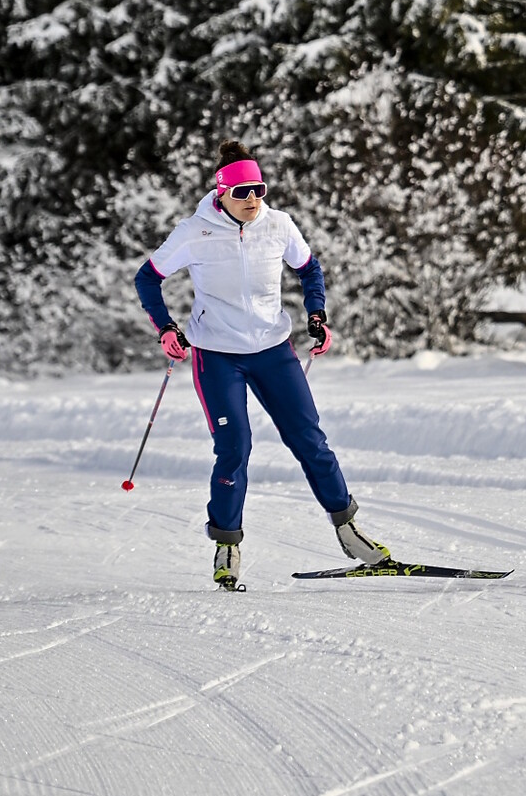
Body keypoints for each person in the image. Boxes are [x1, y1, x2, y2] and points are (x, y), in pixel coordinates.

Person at [133, 140, 391, 591]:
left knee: (310, 440)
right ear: (221, 193)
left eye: (259, 189)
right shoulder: (194, 232)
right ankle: (227, 545)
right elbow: (148, 278)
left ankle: (350, 531)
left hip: (273, 349)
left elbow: (310, 270)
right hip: (217, 354)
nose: (253, 200)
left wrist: (316, 315)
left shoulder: (279, 225)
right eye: (243, 192)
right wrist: (167, 329)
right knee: (235, 446)